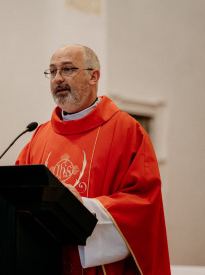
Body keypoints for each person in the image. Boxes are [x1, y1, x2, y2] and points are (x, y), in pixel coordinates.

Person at [15, 45, 170, 274]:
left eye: (67, 69)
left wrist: (83, 208)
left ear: (93, 76)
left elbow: (143, 203)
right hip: (45, 262)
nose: (58, 78)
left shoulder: (126, 131)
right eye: (53, 71)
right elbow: (17, 193)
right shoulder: (39, 136)